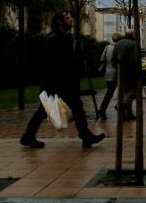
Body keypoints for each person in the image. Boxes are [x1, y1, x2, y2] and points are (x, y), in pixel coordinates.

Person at [20, 11, 106, 148]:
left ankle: (85, 135)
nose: (71, 19)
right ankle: (29, 136)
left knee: (73, 108)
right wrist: (77, 58)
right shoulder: (54, 39)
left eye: (71, 17)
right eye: (67, 18)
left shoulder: (63, 38)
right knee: (46, 110)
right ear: (60, 22)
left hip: (62, 83)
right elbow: (58, 62)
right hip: (57, 83)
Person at [97, 32, 123, 121]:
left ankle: (102, 109)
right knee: (122, 91)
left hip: (108, 73)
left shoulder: (107, 47)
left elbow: (102, 58)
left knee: (109, 93)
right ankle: (119, 107)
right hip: (118, 72)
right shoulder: (119, 47)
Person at [115, 29, 138, 121]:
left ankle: (127, 114)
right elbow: (133, 60)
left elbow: (114, 59)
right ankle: (120, 106)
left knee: (124, 93)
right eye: (135, 34)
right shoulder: (132, 44)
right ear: (131, 35)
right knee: (133, 92)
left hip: (120, 72)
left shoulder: (118, 44)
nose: (135, 35)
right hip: (130, 72)